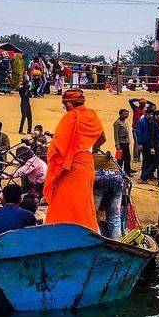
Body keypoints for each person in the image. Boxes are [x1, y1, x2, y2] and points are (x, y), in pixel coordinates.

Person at [44, 88, 105, 231]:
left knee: (64, 202)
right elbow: (102, 138)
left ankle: (62, 233)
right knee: (83, 202)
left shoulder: (70, 117)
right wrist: (87, 147)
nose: (65, 109)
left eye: (65, 106)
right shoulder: (92, 116)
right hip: (87, 164)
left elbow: (58, 146)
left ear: (70, 104)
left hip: (72, 166)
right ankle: (87, 231)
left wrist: (73, 151)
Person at [93, 157, 125, 239]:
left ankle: (98, 243)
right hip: (116, 175)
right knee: (114, 216)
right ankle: (116, 243)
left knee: (92, 215)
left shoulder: (88, 147)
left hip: (98, 176)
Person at [139, 108, 159, 183]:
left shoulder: (155, 123)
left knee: (155, 163)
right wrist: (152, 147)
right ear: (155, 116)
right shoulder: (152, 123)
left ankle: (144, 177)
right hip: (155, 145)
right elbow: (151, 136)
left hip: (158, 145)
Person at [112, 108, 132, 174]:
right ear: (121, 114)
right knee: (120, 159)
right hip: (121, 143)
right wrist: (117, 144)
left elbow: (127, 132)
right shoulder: (117, 123)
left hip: (126, 142)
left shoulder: (124, 122)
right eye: (125, 114)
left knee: (127, 158)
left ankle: (127, 172)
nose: (126, 115)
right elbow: (116, 134)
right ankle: (119, 172)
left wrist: (128, 140)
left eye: (127, 114)